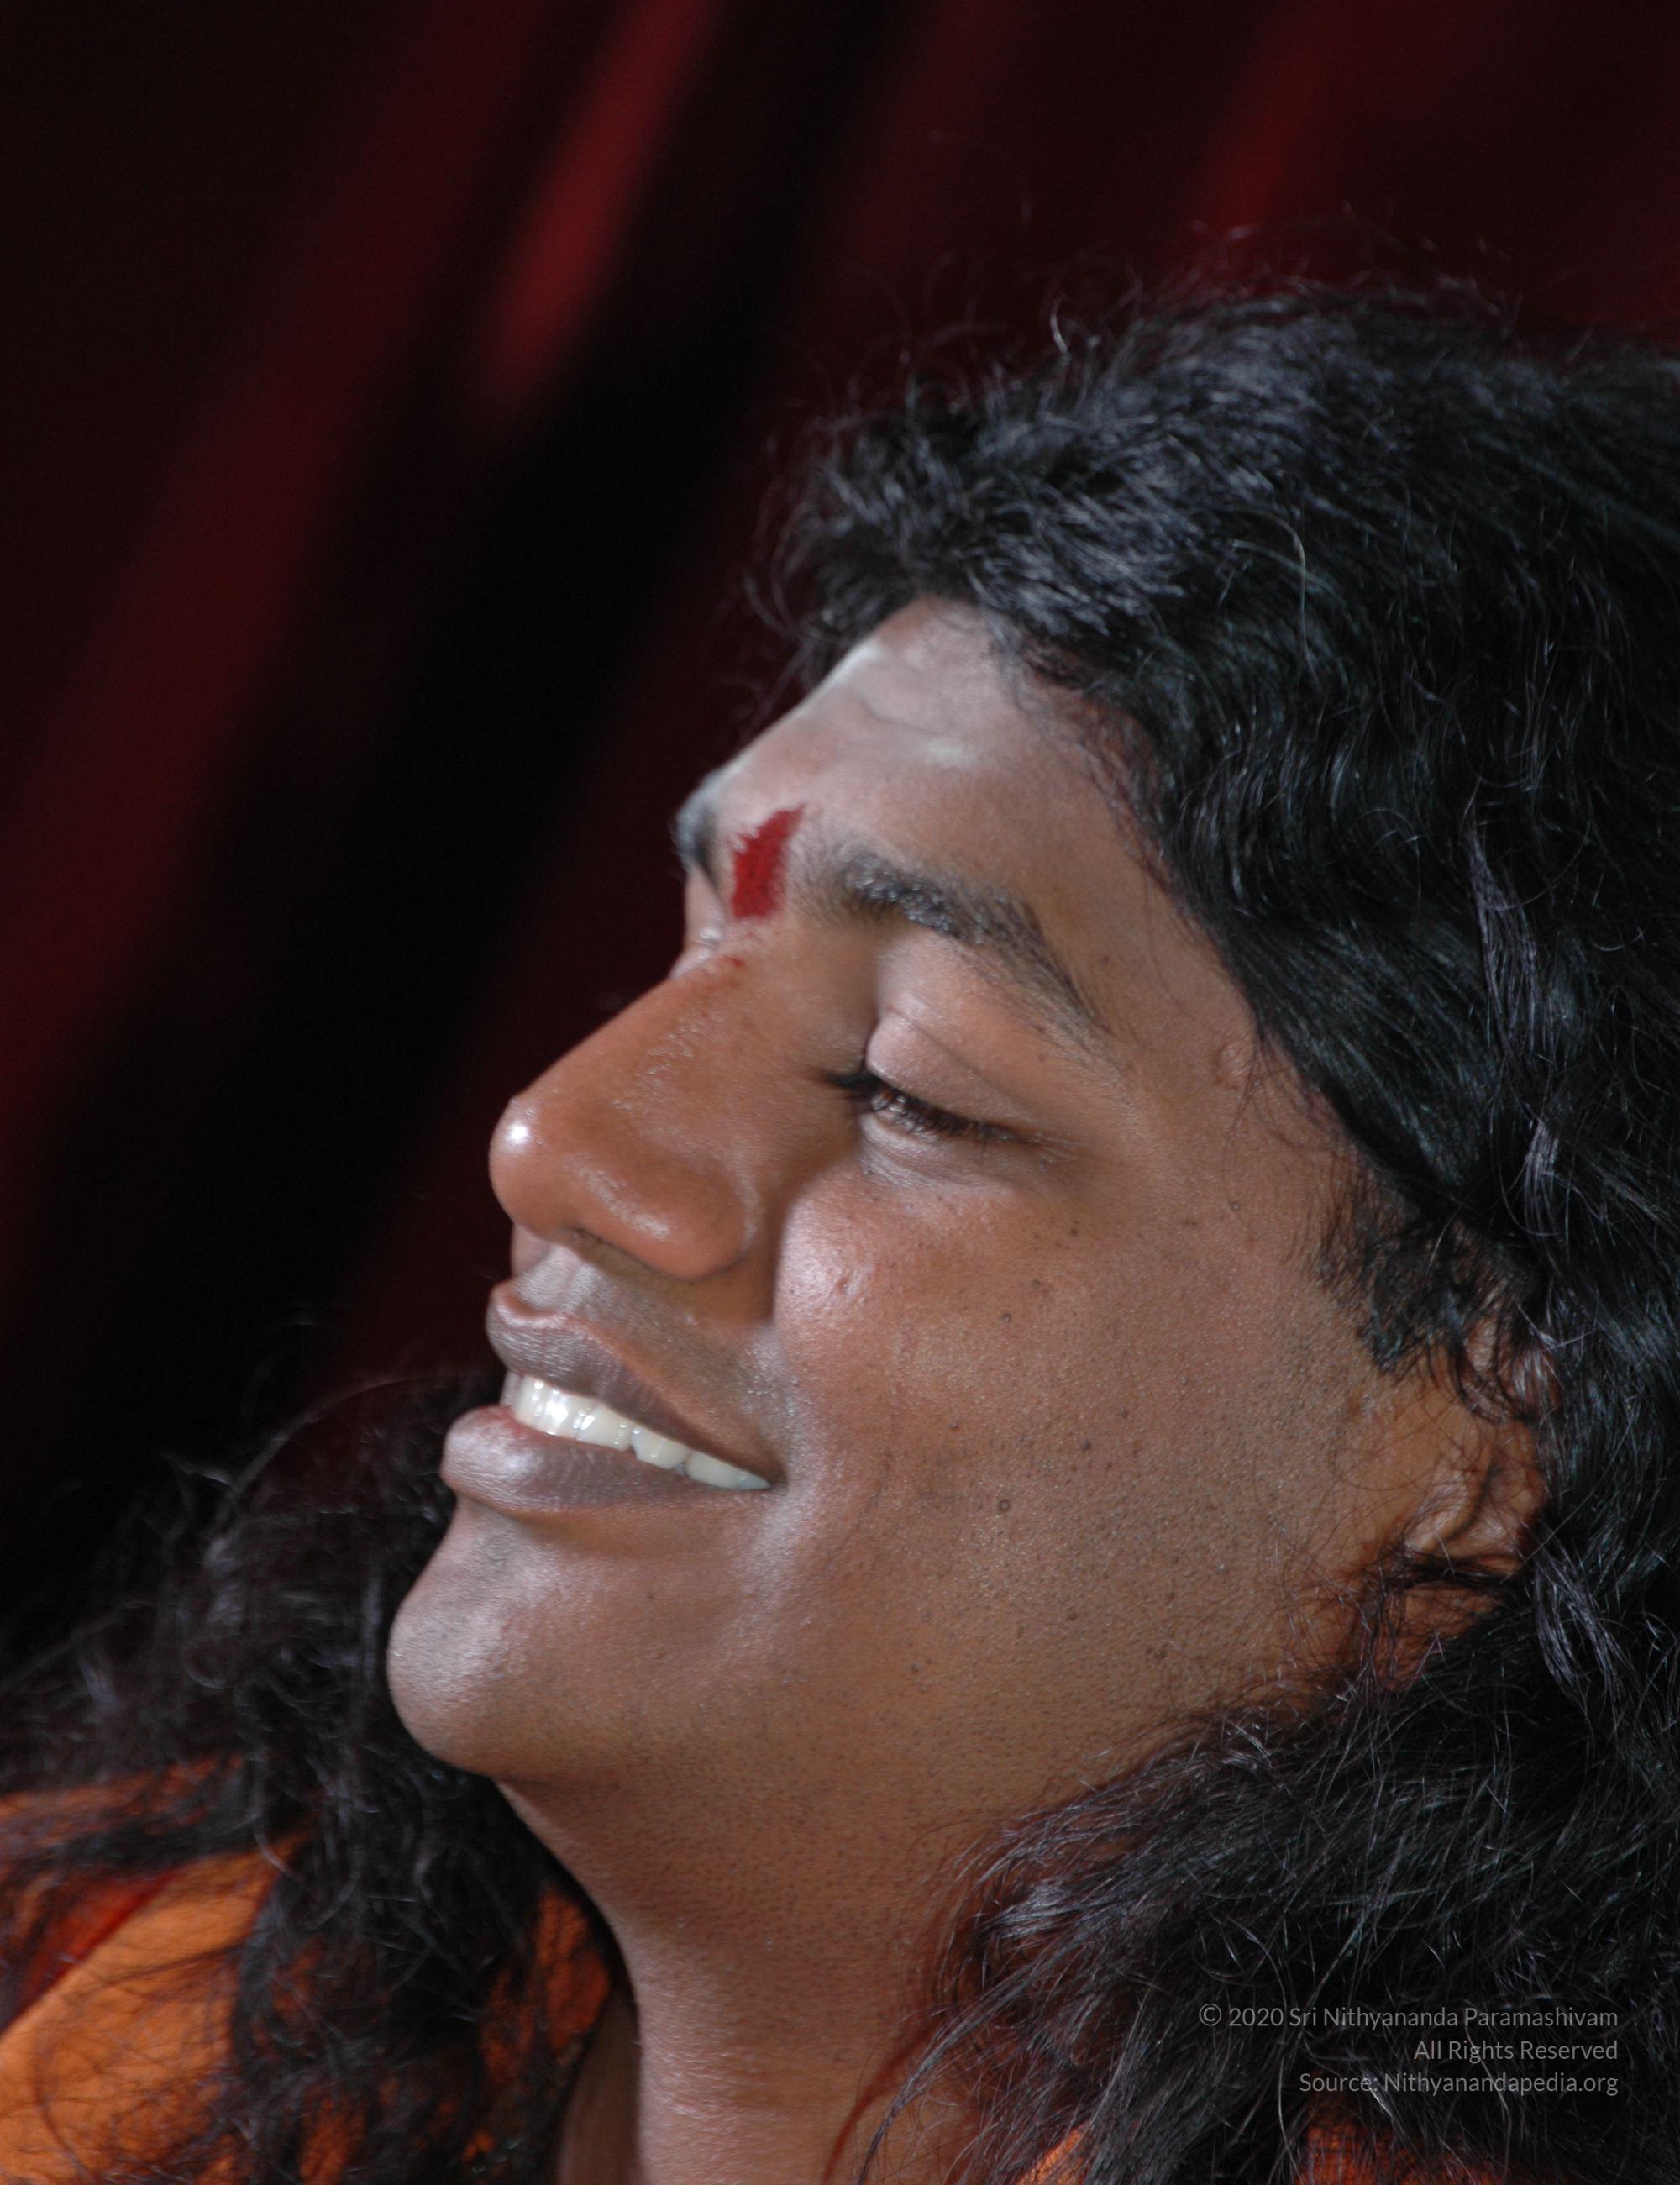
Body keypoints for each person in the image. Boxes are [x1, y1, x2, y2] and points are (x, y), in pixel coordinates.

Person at [2, 286, 1676, 2185]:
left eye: (907, 1084)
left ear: (1496, 1429)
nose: (557, 1138)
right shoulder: (97, 1996)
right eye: (684, 955)